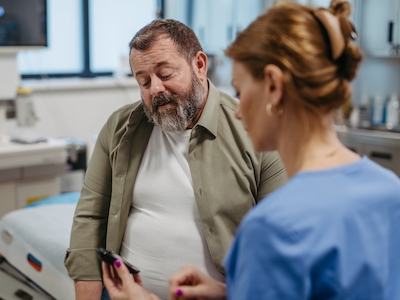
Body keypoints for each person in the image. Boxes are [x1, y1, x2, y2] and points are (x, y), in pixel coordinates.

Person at [101, 1, 400, 299]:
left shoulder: (272, 228)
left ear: (273, 86)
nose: (239, 111)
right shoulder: (389, 190)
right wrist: (228, 292)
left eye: (241, 92)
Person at [64, 18, 287, 300]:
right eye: (143, 81)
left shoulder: (255, 131)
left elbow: (280, 247)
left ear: (200, 65)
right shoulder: (120, 128)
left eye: (166, 73)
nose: (155, 89)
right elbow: (90, 217)